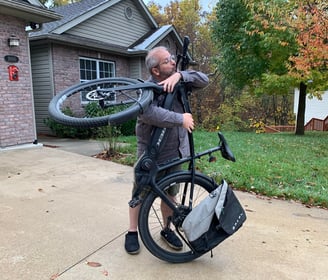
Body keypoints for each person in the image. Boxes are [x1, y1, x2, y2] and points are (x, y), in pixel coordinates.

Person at [124, 46, 209, 254]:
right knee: (139, 193)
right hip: (152, 153)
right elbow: (148, 114)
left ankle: (166, 229)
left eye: (172, 59)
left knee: (170, 196)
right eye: (167, 61)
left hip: (177, 152)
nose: (172, 62)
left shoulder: (179, 80)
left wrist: (181, 74)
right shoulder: (145, 89)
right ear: (155, 70)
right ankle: (132, 232)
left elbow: (204, 80)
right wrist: (180, 119)